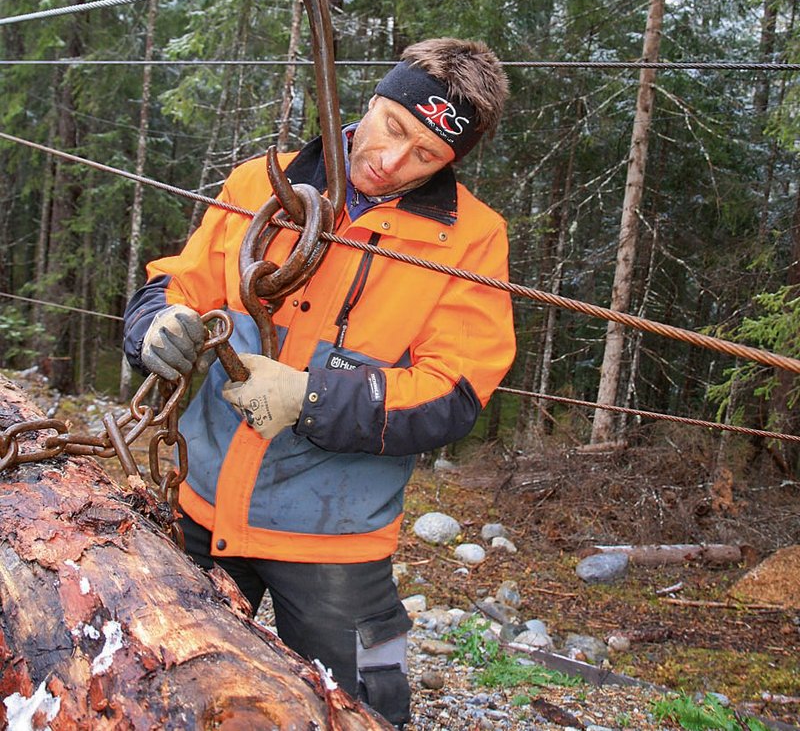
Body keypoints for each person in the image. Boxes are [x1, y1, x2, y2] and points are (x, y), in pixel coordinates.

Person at [123, 37, 516, 728]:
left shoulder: (472, 240)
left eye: (425, 155)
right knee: (153, 687)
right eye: (391, 129)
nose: (391, 162)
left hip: (339, 542)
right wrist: (157, 324)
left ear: (452, 162)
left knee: (375, 704)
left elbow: (454, 394)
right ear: (373, 100)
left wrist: (309, 398)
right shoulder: (260, 181)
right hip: (202, 505)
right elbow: (181, 279)